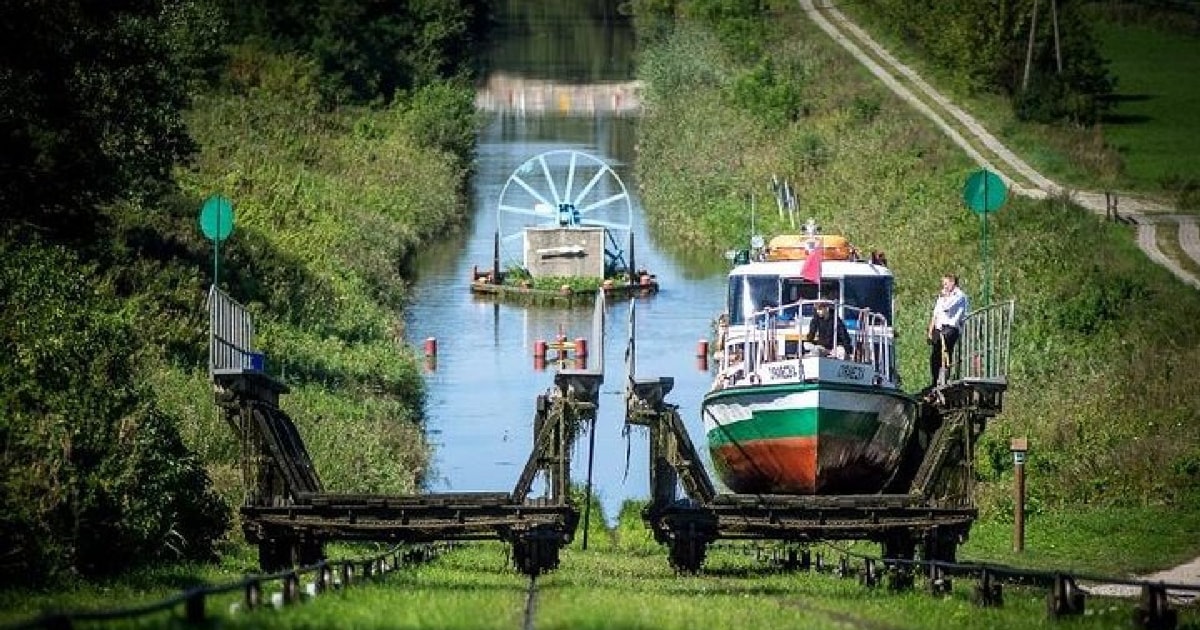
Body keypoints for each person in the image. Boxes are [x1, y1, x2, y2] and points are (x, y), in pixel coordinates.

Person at [927, 274, 969, 387]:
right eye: (943, 284)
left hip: (951, 328)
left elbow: (947, 307)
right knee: (935, 355)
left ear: (952, 283)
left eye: (946, 284)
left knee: (945, 350)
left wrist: (945, 296)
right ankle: (935, 380)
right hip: (939, 327)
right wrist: (930, 329)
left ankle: (945, 378)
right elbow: (936, 313)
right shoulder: (943, 295)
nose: (944, 286)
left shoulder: (959, 296)